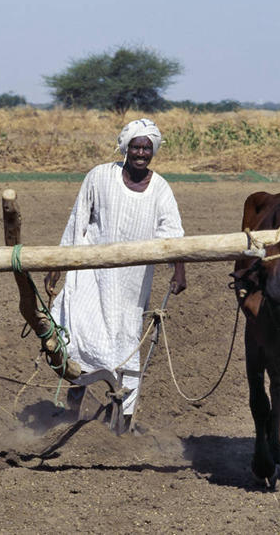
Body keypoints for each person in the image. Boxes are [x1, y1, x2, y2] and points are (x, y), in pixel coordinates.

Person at [44, 118, 186, 421]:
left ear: (153, 152)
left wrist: (179, 269)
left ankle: (124, 418)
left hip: (131, 284)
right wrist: (58, 264)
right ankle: (73, 405)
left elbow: (173, 233)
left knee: (125, 340)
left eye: (147, 148)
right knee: (79, 333)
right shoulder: (99, 177)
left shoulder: (160, 189)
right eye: (136, 146)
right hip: (91, 274)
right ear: (125, 147)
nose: (141, 153)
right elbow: (77, 220)